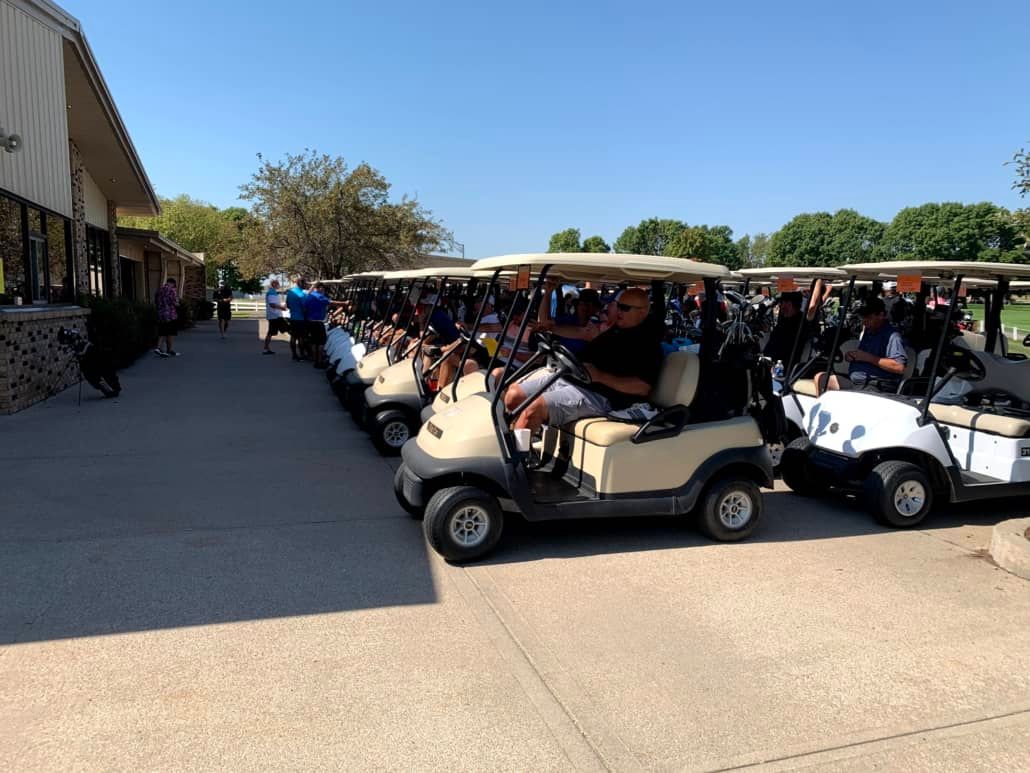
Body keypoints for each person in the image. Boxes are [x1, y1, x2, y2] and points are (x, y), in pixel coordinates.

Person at [501, 287, 663, 432]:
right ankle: (519, 443)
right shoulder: (616, 329)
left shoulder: (648, 344)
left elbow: (642, 387)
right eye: (618, 305)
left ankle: (517, 459)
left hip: (599, 395)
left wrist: (600, 376)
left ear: (642, 312)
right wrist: (550, 327)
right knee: (513, 395)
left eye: (625, 308)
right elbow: (581, 332)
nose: (618, 311)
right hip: (571, 378)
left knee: (533, 409)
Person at [816, 296, 907, 395]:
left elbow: (899, 367)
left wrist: (869, 358)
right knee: (821, 378)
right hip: (857, 383)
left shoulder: (892, 336)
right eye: (862, 318)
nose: (864, 321)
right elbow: (863, 356)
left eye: (868, 318)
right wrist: (853, 356)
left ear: (881, 315)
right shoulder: (869, 332)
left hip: (877, 385)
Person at [304, 281, 331, 368]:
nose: (323, 289)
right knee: (321, 342)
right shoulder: (319, 296)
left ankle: (315, 360)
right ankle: (319, 362)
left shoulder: (309, 296)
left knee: (314, 342)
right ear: (319, 288)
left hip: (310, 322)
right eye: (321, 288)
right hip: (318, 322)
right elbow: (330, 302)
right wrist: (345, 303)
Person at [154, 278, 180, 357]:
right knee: (170, 333)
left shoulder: (159, 290)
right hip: (170, 315)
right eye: (174, 285)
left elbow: (156, 301)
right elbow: (174, 302)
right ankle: (169, 350)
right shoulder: (172, 290)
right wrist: (178, 303)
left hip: (161, 314)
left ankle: (158, 348)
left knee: (162, 332)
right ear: (172, 283)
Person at [263, 280, 289, 355]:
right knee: (287, 329)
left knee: (271, 332)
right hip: (275, 316)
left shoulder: (273, 292)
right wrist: (282, 308)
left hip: (275, 316)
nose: (279, 285)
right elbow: (272, 305)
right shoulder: (271, 293)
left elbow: (275, 302)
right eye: (278, 284)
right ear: (274, 284)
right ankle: (265, 348)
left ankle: (266, 348)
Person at [286, 278, 309, 361]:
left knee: (293, 337)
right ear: (301, 284)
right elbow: (304, 308)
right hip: (301, 319)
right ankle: (302, 355)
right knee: (301, 338)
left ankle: (294, 355)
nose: (306, 285)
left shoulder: (290, 293)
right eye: (305, 284)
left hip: (292, 318)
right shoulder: (302, 294)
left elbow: (288, 305)